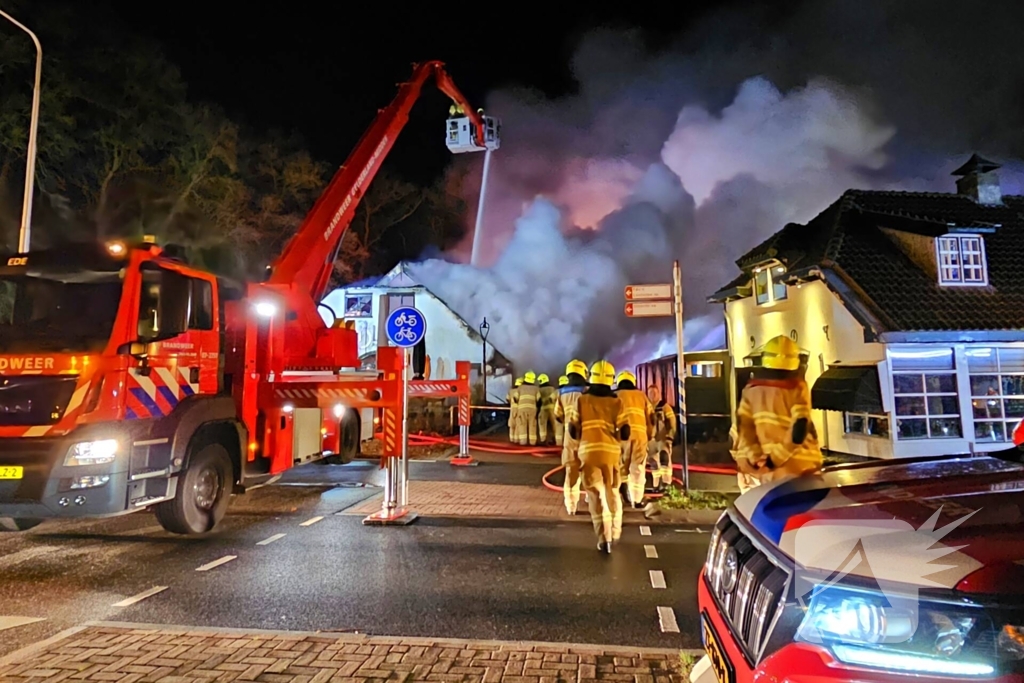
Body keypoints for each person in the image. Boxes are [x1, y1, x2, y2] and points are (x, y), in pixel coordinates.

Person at [732, 335, 823, 491]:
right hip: (800, 471)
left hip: (761, 473)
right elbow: (799, 429)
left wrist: (757, 459)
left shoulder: (750, 390)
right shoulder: (797, 388)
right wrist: (773, 461)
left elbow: (744, 429)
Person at [568, 360, 629, 553]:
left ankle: (603, 539)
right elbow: (625, 431)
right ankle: (616, 532)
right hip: (611, 454)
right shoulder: (616, 402)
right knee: (612, 492)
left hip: (588, 453)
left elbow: (572, 428)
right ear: (611, 379)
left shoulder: (582, 400)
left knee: (595, 495)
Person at [614, 370, 653, 508]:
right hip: (640, 436)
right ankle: (636, 500)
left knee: (620, 467)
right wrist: (650, 434)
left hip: (621, 438)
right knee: (637, 468)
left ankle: (619, 496)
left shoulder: (615, 395)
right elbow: (651, 417)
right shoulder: (641, 396)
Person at [554, 362, 587, 514]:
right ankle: (589, 499)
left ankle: (571, 507)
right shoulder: (587, 391)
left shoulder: (561, 393)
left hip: (570, 437)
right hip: (588, 436)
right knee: (590, 471)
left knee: (571, 473)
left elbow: (558, 415)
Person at [646, 384, 677, 492]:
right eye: (650, 393)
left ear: (659, 394)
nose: (653, 395)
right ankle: (656, 485)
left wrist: (670, 437)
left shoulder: (664, 406)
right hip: (651, 440)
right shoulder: (647, 407)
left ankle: (666, 484)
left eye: (655, 393)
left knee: (665, 461)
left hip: (663, 439)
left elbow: (672, 422)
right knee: (654, 463)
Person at [516, 371, 540, 446]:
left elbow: (514, 399)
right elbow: (539, 400)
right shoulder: (536, 389)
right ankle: (532, 443)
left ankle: (523, 443)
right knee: (532, 425)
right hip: (532, 410)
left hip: (522, 410)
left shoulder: (520, 388)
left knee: (522, 425)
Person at [537, 374, 557, 445]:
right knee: (555, 424)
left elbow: (538, 400)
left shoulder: (539, 390)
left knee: (542, 424)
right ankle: (556, 439)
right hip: (553, 409)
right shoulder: (552, 388)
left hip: (544, 408)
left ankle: (543, 440)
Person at [554, 375, 569, 445]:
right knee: (567, 428)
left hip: (558, 412)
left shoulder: (557, 391)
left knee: (559, 428)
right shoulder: (569, 391)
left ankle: (558, 444)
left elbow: (550, 398)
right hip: (568, 412)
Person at [507, 377, 523, 443]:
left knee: (512, 424)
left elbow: (507, 399)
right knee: (517, 424)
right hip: (519, 409)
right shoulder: (521, 391)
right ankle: (516, 440)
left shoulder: (511, 391)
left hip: (512, 409)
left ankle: (511, 439)